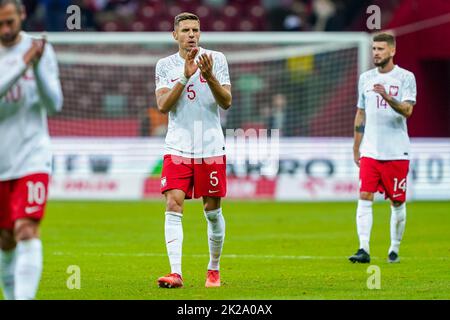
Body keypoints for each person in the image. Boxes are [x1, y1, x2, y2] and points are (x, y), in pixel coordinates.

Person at [154, 12, 232, 288]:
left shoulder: (217, 59)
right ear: (174, 35)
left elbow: (226, 102)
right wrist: (184, 78)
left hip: (210, 146)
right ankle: (175, 273)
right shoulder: (165, 65)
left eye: (195, 30)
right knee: (173, 203)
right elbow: (163, 106)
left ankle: (214, 268)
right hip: (177, 147)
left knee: (212, 211)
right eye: (185, 30)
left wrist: (209, 76)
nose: (191, 35)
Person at [0, 0, 63, 299]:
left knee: (26, 229)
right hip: (2, 160)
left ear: (22, 15)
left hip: (33, 155)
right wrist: (23, 65)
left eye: (10, 21)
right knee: (6, 239)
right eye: (0, 24)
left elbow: (54, 104)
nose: (6, 29)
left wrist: (36, 68)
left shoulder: (41, 50)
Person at [349, 33, 416, 264]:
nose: (376, 52)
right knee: (364, 195)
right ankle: (363, 249)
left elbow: (407, 111)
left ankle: (394, 249)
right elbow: (361, 112)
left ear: (392, 51)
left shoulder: (406, 78)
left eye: (380, 49)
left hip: (397, 151)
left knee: (397, 202)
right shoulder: (365, 78)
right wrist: (357, 146)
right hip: (371, 151)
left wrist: (387, 97)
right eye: (374, 48)